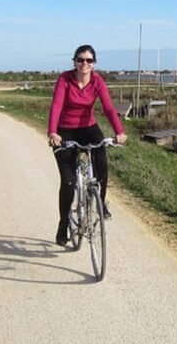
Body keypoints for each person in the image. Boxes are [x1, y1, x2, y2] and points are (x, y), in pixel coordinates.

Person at [48, 44, 127, 246]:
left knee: (101, 160)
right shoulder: (65, 79)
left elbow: (108, 107)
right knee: (69, 181)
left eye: (89, 60)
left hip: (88, 127)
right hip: (64, 129)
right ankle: (64, 223)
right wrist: (53, 132)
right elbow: (56, 105)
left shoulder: (97, 81)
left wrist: (119, 131)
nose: (84, 63)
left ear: (94, 63)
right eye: (80, 59)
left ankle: (100, 201)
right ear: (74, 62)